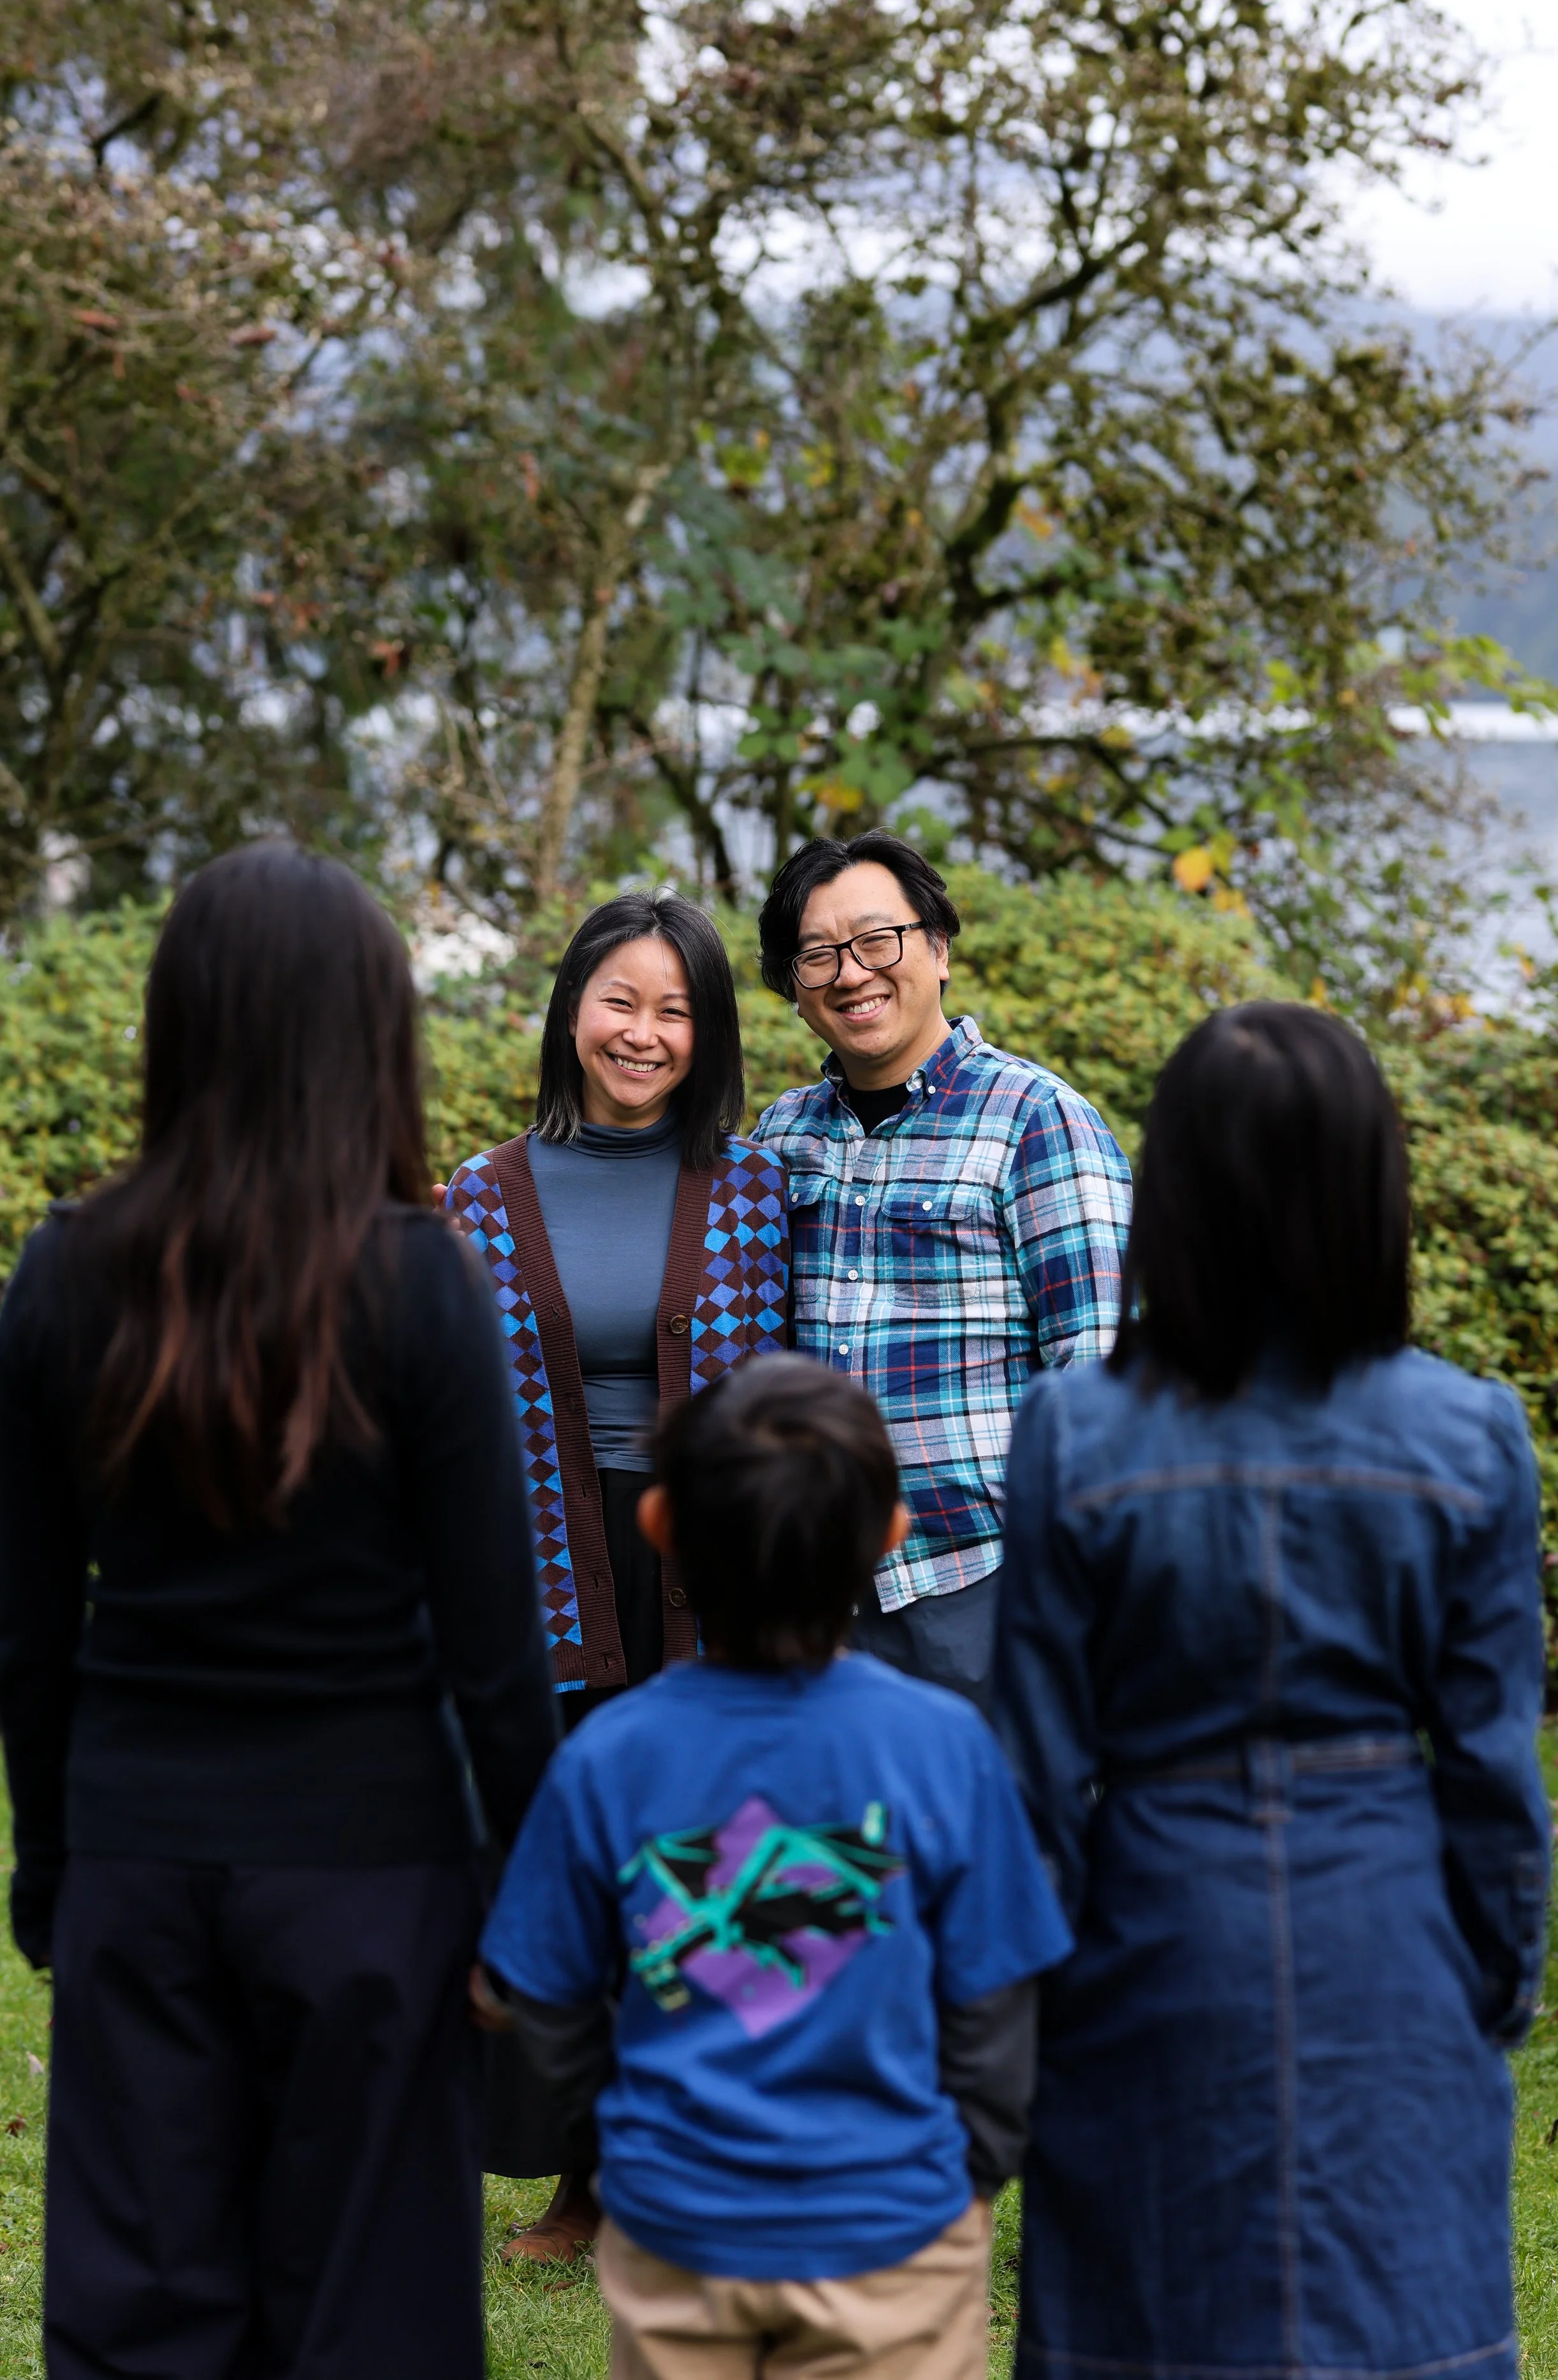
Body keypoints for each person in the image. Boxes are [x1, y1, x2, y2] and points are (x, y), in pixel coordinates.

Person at [0, 844, 558, 2380]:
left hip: (140, 1851)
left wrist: (52, 1865)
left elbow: (29, 1634)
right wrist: (530, 1907)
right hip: (372, 1871)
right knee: (369, 2309)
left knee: (142, 2313)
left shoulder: (63, 1272)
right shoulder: (422, 1284)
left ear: (179, 1026)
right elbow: (496, 1654)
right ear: (370, 1033)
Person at [995, 1001, 1550, 2380]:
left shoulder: (1074, 1428)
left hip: (1151, 1931)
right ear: (1369, 1181)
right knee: (1395, 2324)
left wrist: (1035, 2002)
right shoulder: (1465, 1431)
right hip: (1388, 1929)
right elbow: (1490, 1768)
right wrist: (1488, 1984)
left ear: (1168, 1192)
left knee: (1151, 2326)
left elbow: (1035, 1772)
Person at [475, 1353, 1072, 2380]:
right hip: (899, 2235)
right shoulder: (946, 1745)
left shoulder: (607, 1757)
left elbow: (537, 1992)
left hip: (674, 2231)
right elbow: (999, 1990)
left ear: (660, 1525)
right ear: (890, 1535)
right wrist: (973, 2164)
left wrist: (618, 2128)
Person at [440, 887, 790, 2256]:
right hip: (540, 1564)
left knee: (706, 1861)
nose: (641, 1033)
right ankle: (574, 2177)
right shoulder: (480, 1192)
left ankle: (699, 2169)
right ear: (569, 1010)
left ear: (706, 1036)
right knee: (561, 1858)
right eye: (618, 1002)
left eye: (674, 1010)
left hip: (711, 1567)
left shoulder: (756, 1182)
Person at [752, 831, 1131, 1711]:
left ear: (938, 948)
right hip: (815, 1595)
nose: (853, 973)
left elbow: (1104, 1376)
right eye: (818, 955)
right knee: (838, 1850)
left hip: (987, 1585)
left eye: (877, 940)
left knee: (1005, 1845)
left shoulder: (1038, 1120)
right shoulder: (782, 1136)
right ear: (796, 991)